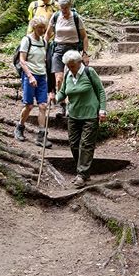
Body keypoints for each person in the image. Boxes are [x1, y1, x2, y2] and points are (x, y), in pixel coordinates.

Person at [56, 50, 106, 188]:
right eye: (67, 65)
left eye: (72, 65)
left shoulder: (89, 73)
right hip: (73, 115)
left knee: (86, 145)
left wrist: (102, 110)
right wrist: (54, 98)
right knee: (73, 144)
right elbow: (62, 92)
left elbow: (101, 91)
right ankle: (84, 171)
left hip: (90, 115)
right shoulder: (68, 74)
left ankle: (82, 174)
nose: (70, 68)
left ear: (79, 63)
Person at [45, 0, 89, 117]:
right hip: (58, 49)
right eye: (61, 8)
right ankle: (63, 105)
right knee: (59, 79)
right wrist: (44, 48)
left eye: (65, 8)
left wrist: (85, 53)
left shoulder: (76, 17)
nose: (63, 10)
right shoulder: (55, 16)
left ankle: (72, 105)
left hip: (73, 50)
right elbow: (48, 34)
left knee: (72, 78)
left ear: (70, 6)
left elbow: (84, 37)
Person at [14, 16, 52, 148]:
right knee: (29, 106)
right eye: (40, 28)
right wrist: (30, 76)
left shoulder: (44, 42)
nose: (43, 30)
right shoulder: (26, 40)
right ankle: (20, 127)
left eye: (44, 27)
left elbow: (45, 62)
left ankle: (41, 136)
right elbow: (22, 60)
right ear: (34, 27)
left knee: (43, 106)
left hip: (42, 76)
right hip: (29, 76)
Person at [27, 0, 59, 102]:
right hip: (35, 41)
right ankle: (34, 91)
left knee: (50, 65)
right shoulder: (34, 6)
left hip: (51, 41)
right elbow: (30, 23)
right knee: (34, 64)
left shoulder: (56, 6)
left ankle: (52, 90)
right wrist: (28, 39)